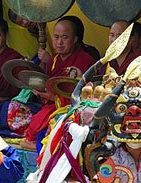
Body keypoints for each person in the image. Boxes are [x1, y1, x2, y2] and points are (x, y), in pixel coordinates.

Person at [19, 16, 97, 150]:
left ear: (75, 39)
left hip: (70, 108)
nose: (59, 42)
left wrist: (53, 97)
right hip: (50, 104)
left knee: (50, 123)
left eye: (65, 37)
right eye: (56, 37)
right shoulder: (54, 60)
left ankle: (44, 144)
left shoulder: (86, 60)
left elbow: (86, 97)